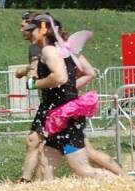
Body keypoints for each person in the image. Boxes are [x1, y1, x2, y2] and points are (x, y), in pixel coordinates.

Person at [23, 14, 113, 179]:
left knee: (83, 170)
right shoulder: (63, 50)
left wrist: (35, 84)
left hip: (65, 116)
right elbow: (77, 77)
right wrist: (70, 88)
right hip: (60, 116)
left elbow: (60, 77)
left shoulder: (49, 50)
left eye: (32, 30)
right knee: (45, 161)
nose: (29, 34)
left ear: (43, 30)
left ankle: (123, 185)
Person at [16, 12, 47, 183]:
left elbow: (35, 68)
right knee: (35, 141)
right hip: (49, 101)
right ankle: (29, 182)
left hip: (53, 102)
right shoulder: (39, 46)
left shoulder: (35, 47)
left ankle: (116, 175)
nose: (22, 30)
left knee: (83, 150)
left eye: (24, 27)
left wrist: (29, 75)